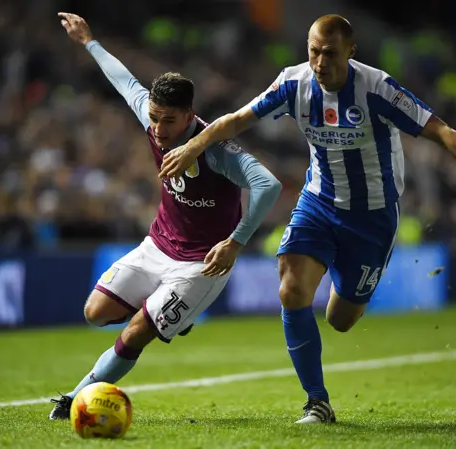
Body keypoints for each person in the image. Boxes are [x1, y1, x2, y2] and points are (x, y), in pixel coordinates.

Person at [158, 14, 456, 424]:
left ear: (351, 52)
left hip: (373, 217)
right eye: (314, 52)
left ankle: (353, 283)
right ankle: (316, 401)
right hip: (319, 201)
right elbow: (237, 119)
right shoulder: (294, 82)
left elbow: (442, 131)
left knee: (340, 320)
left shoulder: (377, 88)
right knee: (291, 288)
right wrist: (195, 145)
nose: (320, 63)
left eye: (330, 54)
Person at [49, 13, 282, 420]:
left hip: (201, 264)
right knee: (95, 313)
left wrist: (237, 241)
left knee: (136, 331)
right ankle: (172, 313)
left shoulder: (217, 149)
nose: (157, 127)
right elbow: (123, 82)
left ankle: (75, 398)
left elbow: (269, 186)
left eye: (168, 120)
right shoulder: (152, 119)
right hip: (158, 244)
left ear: (190, 115)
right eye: (154, 116)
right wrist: (89, 41)